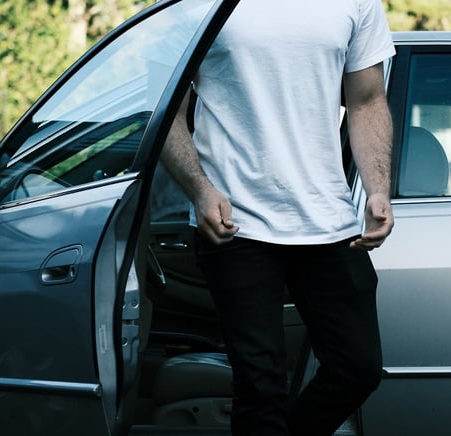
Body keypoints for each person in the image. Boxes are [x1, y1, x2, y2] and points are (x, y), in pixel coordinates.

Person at [160, 0, 395, 434]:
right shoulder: (199, 4)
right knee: (259, 387)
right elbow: (164, 111)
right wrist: (200, 189)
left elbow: (366, 101)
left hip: (328, 219)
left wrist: (377, 188)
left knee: (357, 368)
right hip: (235, 222)